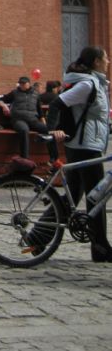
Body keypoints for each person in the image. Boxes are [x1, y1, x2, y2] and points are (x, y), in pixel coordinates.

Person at [47, 46, 112, 263]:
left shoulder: (95, 83)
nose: (108, 61)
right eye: (106, 58)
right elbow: (57, 103)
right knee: (97, 196)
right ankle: (101, 248)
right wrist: (52, 130)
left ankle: (37, 236)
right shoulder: (87, 84)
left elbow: (98, 117)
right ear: (96, 62)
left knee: (74, 195)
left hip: (86, 144)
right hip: (85, 146)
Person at [0, 76, 58, 164]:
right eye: (20, 83)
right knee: (24, 130)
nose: (22, 85)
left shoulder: (36, 94)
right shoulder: (14, 93)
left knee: (49, 130)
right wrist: (4, 106)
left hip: (33, 120)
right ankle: (24, 158)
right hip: (18, 119)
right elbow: (0, 99)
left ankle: (54, 157)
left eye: (24, 83)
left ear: (29, 84)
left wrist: (44, 124)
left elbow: (40, 111)